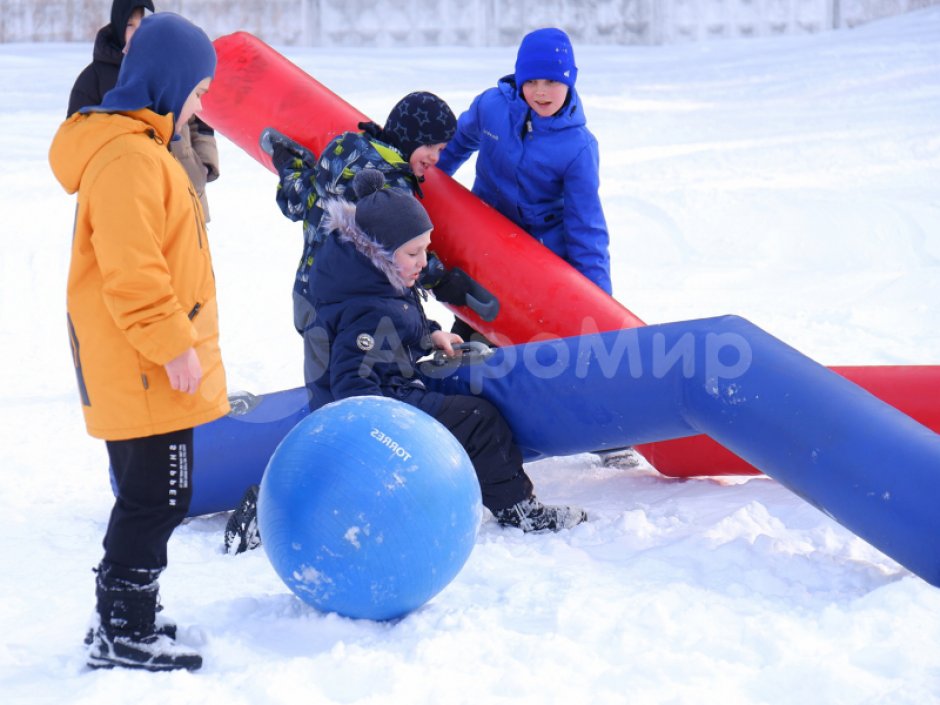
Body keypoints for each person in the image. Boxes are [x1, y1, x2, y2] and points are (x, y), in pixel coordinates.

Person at [49, 12, 228, 672]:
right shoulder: (128, 159)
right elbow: (133, 269)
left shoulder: (139, 150)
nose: (203, 104)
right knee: (160, 497)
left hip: (140, 362)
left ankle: (125, 618)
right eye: (200, 90)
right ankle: (125, 627)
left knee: (148, 495)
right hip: (148, 363)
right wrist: (174, 344)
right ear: (170, 80)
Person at [301, 169, 586, 534]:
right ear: (381, 251)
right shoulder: (367, 307)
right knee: (477, 418)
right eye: (414, 252)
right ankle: (519, 509)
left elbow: (398, 323)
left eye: (426, 248)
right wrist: (400, 433)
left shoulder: (375, 277)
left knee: (468, 390)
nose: (424, 261)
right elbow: (352, 387)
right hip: (378, 411)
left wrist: (431, 334)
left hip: (394, 388)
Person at [268, 91, 478, 398]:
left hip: (309, 294)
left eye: (441, 148)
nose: (436, 157)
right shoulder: (388, 185)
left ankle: (329, 427)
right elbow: (393, 247)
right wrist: (440, 280)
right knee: (366, 381)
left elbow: (297, 201)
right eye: (431, 145)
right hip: (356, 306)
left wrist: (291, 167)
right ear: (410, 136)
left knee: (326, 384)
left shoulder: (339, 156)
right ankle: (362, 435)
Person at [437, 27, 612, 343]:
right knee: (473, 324)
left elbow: (586, 228)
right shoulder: (492, 107)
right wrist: (422, 183)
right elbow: (453, 147)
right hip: (486, 245)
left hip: (537, 263)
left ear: (570, 80)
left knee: (522, 339)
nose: (540, 91)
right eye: (530, 81)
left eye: (552, 81)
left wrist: (600, 305)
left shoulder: (577, 147)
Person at [67, 0, 221, 221]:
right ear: (118, 26)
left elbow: (200, 121)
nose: (138, 30)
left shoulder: (167, 69)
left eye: (143, 23)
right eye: (130, 24)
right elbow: (78, 142)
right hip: (133, 198)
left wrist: (204, 162)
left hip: (187, 189)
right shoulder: (95, 78)